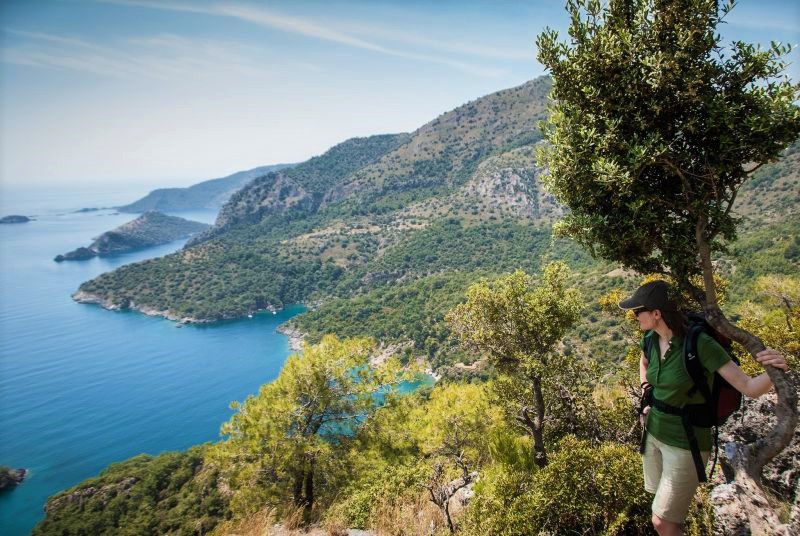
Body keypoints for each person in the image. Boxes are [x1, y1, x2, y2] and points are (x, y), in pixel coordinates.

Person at [618, 280, 788, 536]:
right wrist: (647, 392)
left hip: (685, 443)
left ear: (656, 313)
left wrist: (776, 369)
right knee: (661, 506)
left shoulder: (699, 344)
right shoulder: (651, 339)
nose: (634, 316)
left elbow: (748, 386)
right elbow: (644, 363)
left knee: (662, 522)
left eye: (637, 311)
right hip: (653, 435)